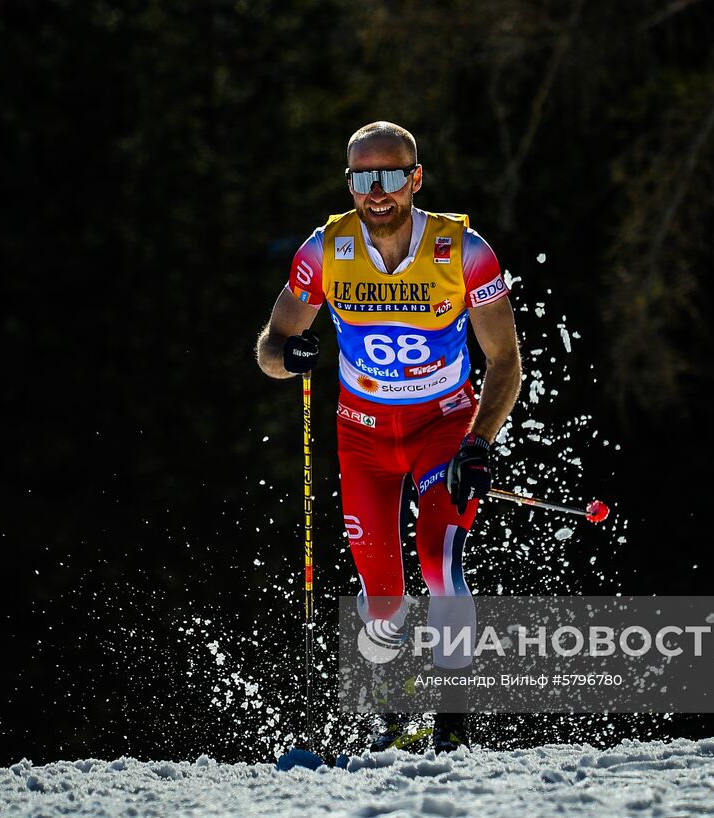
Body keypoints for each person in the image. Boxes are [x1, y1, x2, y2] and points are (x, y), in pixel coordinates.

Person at [256, 121, 521, 754]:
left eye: (392, 176)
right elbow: (268, 345)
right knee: (383, 600)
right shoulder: (324, 250)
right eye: (364, 178)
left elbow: (505, 361)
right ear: (350, 183)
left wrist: (478, 441)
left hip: (443, 427)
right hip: (364, 437)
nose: (379, 191)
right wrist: (287, 357)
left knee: (437, 558)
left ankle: (454, 721)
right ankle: (392, 718)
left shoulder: (464, 250)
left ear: (416, 178)